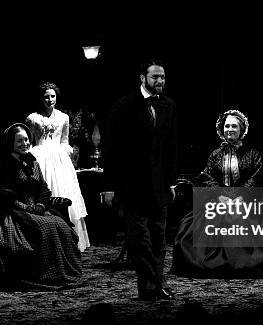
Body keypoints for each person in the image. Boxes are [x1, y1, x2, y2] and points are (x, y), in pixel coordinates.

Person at [172, 110, 263, 277]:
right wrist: (221, 196)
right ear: (221, 129)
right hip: (221, 199)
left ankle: (246, 261)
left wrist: (241, 197)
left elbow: (257, 177)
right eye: (227, 126)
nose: (230, 129)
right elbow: (207, 177)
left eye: (234, 126)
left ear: (242, 130)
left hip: (248, 199)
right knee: (193, 228)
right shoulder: (215, 154)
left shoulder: (253, 153)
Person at [101, 59, 178, 301]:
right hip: (132, 186)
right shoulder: (124, 106)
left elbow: (172, 147)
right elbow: (111, 150)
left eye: (163, 77)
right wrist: (109, 187)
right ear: (142, 78)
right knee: (139, 241)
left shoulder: (169, 105)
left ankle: (149, 289)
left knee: (159, 241)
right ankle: (157, 283)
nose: (160, 82)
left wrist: (172, 183)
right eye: (155, 77)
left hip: (160, 186)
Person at [0, 123, 82, 288]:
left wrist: (40, 204)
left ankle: (60, 272)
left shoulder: (32, 160)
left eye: (26, 140)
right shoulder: (4, 164)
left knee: (60, 225)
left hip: (37, 209)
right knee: (44, 226)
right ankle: (43, 275)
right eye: (19, 141)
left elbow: (44, 188)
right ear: (11, 143)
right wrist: (25, 208)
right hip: (15, 212)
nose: (25, 144)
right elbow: (4, 195)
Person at [25, 82, 90, 252]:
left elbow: (65, 141)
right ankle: (45, 240)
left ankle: (68, 241)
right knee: (44, 194)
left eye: (52, 96)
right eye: (46, 96)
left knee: (64, 195)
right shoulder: (33, 118)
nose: (50, 99)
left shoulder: (63, 117)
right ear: (41, 98)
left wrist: (62, 155)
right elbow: (29, 141)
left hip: (59, 161)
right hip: (40, 157)